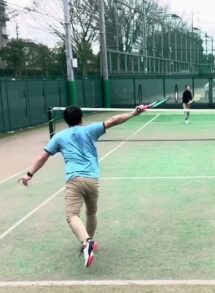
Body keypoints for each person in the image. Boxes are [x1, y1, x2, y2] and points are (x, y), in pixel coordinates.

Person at [18, 104, 146, 267]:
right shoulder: (90, 130)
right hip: (92, 180)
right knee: (91, 213)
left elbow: (43, 156)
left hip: (74, 180)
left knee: (72, 215)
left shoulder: (59, 137)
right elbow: (114, 120)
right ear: (81, 118)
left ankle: (86, 243)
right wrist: (134, 113)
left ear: (65, 120)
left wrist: (29, 174)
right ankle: (88, 243)